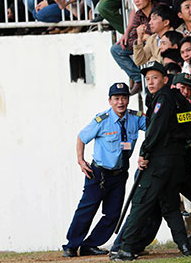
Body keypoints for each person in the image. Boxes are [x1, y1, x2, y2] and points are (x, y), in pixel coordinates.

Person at [111, 61, 191, 260]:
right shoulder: (173, 97)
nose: (150, 82)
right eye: (147, 79)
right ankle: (185, 247)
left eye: (155, 78)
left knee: (141, 203)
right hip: (175, 162)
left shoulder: (163, 98)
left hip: (159, 161)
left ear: (164, 79)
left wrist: (144, 153)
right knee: (170, 206)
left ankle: (126, 248)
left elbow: (156, 129)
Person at [62, 83, 146, 258]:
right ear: (110, 101)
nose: (120, 102)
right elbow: (81, 137)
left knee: (113, 213)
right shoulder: (101, 120)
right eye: (116, 99)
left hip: (120, 174)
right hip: (98, 174)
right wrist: (80, 160)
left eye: (124, 98)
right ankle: (71, 245)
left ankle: (90, 245)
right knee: (87, 209)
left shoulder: (136, 118)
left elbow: (154, 127)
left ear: (128, 100)